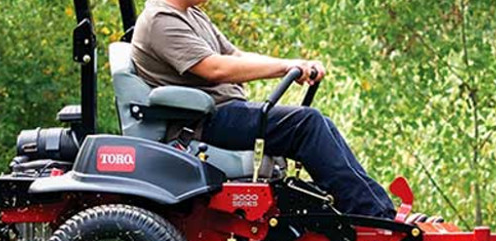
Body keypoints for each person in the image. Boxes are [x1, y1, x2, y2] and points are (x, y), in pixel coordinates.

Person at [131, 0, 403, 218]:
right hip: (202, 123)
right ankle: (376, 216)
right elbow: (214, 67)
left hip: (224, 112)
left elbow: (235, 56)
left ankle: (376, 209)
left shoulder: (192, 14)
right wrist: (284, 67)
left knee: (314, 123)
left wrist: (291, 63)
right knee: (306, 125)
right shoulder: (161, 20)